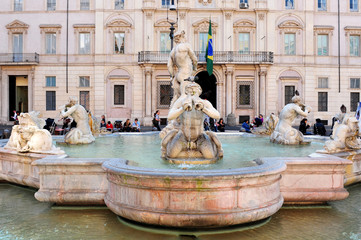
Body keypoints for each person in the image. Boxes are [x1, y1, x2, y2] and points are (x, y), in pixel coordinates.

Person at [161, 82, 223, 159]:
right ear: (186, 92)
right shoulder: (181, 102)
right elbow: (169, 117)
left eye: (195, 89)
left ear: (199, 91)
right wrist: (182, 108)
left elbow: (217, 115)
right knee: (171, 155)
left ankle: (209, 144)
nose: (192, 90)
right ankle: (175, 143)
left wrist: (203, 108)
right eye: (189, 89)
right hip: (183, 136)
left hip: (199, 137)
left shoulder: (205, 103)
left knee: (210, 156)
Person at [167, 30, 198, 104]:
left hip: (178, 74)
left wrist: (172, 76)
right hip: (186, 73)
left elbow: (169, 66)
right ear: (182, 37)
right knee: (184, 97)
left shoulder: (173, 50)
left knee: (177, 97)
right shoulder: (186, 46)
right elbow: (195, 59)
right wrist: (195, 68)